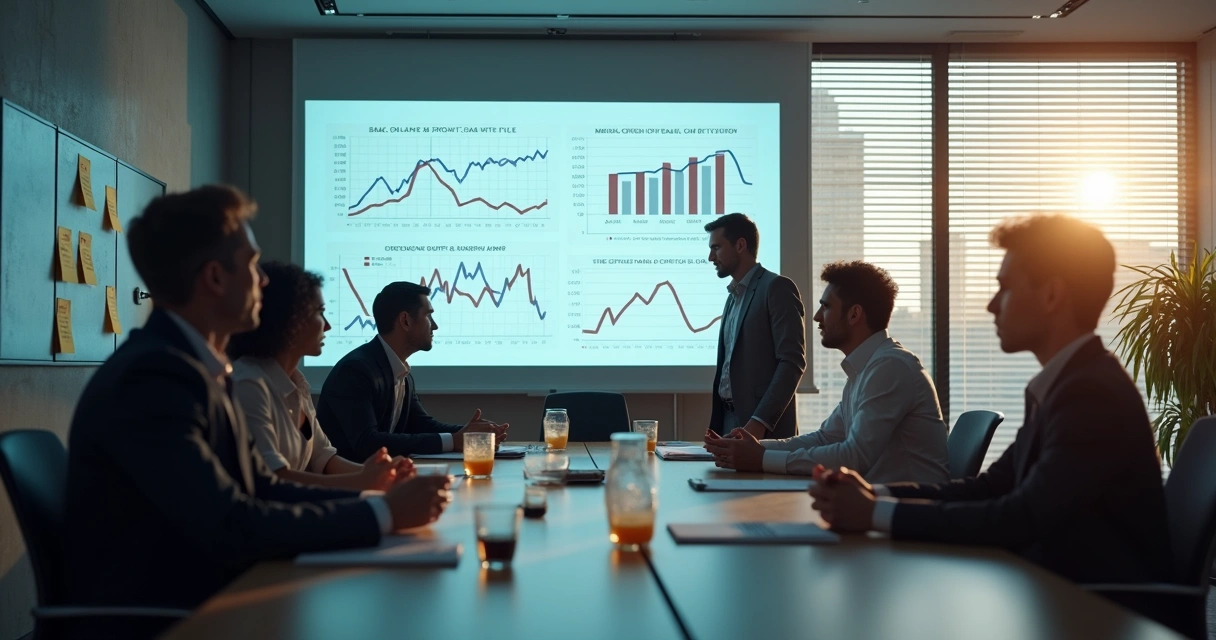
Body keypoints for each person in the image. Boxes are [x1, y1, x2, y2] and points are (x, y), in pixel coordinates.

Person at [61, 186, 452, 638]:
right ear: (215, 278)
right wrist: (382, 515)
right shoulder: (153, 381)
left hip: (211, 594)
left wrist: (377, 501)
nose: (264, 281)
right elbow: (231, 523)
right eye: (251, 264)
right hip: (165, 619)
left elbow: (259, 487)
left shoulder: (194, 368)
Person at [809, 214, 1171, 588]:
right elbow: (990, 487)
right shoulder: (1067, 383)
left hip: (1103, 612)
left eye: (1005, 288)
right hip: (1055, 591)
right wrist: (876, 494)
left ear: (1051, 295)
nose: (991, 305)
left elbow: (1022, 517)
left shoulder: (1091, 394)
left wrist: (874, 514)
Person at [705, 261, 949, 484]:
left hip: (909, 514)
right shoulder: (866, 368)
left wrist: (761, 458)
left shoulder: (890, 367)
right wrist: (754, 447)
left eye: (826, 306)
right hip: (880, 503)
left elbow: (853, 456)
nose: (817, 317)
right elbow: (825, 438)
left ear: (854, 314)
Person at [229, 261, 413, 491]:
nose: (327, 326)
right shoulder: (249, 384)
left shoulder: (296, 383)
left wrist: (386, 476)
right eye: (319, 313)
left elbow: (324, 460)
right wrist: (364, 481)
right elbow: (274, 479)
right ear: (288, 320)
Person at [318, 281, 509, 460]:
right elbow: (367, 442)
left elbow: (421, 425)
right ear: (406, 321)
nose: (434, 325)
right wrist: (455, 440)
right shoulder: (356, 371)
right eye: (428, 315)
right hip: (351, 484)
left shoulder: (399, 372)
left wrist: (473, 433)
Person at [704, 213, 806, 440]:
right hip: (728, 422)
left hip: (763, 428)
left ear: (740, 245)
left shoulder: (777, 287)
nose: (711, 257)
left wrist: (758, 424)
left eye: (717, 248)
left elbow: (792, 362)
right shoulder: (732, 297)